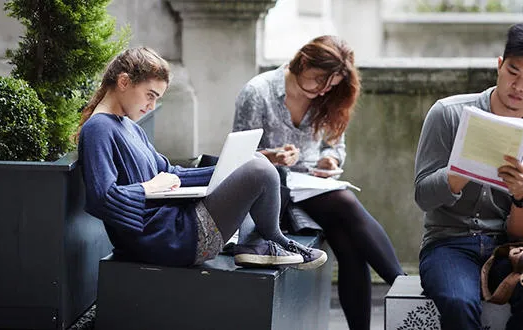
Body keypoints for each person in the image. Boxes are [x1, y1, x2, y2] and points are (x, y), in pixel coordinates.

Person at [75, 47, 327, 270]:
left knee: (257, 165)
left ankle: (261, 245)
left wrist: (232, 167)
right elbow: (102, 198)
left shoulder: (129, 127)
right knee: (261, 172)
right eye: (150, 94)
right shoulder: (98, 129)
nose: (151, 106)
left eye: (157, 98)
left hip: (172, 228)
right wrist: (147, 188)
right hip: (165, 240)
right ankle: (273, 241)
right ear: (123, 81)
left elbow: (171, 173)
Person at [233, 35, 406, 330]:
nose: (322, 90)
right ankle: (406, 288)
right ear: (302, 62)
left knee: (349, 243)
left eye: (331, 85)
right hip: (275, 194)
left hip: (314, 187)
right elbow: (239, 157)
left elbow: (334, 146)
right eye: (318, 80)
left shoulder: (328, 97)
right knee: (345, 202)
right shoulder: (258, 92)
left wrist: (331, 161)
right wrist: (272, 157)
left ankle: (389, 303)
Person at [414, 22, 523, 330]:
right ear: (499, 66)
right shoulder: (448, 114)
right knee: (459, 302)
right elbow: (423, 196)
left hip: (504, 251)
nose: (518, 86)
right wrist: (460, 172)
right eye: (513, 72)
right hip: (447, 244)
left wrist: (522, 196)